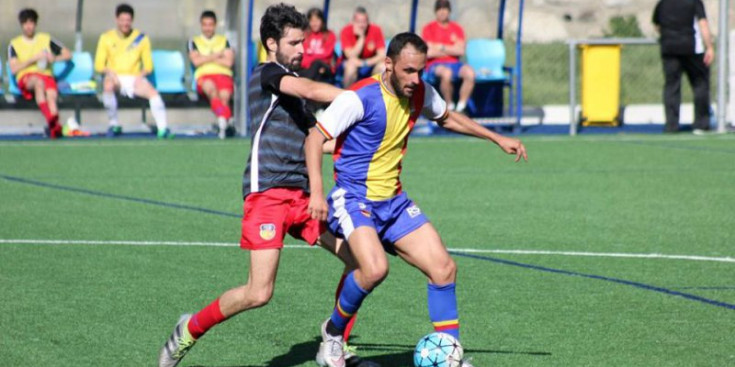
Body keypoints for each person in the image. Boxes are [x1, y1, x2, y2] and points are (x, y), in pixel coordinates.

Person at [158, 4, 377, 367]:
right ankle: (189, 329)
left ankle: (335, 342)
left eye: (303, 42)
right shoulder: (268, 74)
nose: (302, 49)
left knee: (362, 265)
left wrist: (362, 146)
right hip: (269, 194)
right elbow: (307, 85)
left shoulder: (297, 98)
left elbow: (315, 139)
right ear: (272, 44)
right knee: (259, 293)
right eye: (294, 43)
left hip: (303, 197)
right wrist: (362, 99)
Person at [305, 32, 528, 367]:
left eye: (420, 71)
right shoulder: (358, 97)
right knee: (374, 269)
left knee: (443, 268)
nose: (414, 79)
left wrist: (496, 138)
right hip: (353, 198)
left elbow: (447, 117)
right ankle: (333, 334)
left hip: (393, 203)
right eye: (408, 71)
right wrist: (317, 192)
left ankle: (449, 355)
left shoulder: (420, 92)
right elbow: (314, 138)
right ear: (389, 64)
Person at [95, 3, 171, 139]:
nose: (125, 24)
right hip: (115, 78)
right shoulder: (106, 38)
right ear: (117, 20)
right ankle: (114, 124)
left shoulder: (141, 38)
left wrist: (139, 76)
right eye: (122, 20)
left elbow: (148, 66)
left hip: (134, 78)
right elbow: (99, 65)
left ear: (132, 20)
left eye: (128, 20)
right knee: (108, 85)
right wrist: (111, 73)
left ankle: (163, 128)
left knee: (153, 93)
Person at [8, 8, 73, 139]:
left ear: (35, 24)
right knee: (39, 83)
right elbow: (14, 68)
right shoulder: (14, 44)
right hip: (27, 78)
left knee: (51, 95)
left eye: (31, 23)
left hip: (46, 75)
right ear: (21, 25)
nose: (28, 26)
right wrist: (34, 58)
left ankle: (54, 127)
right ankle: (51, 119)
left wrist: (53, 59)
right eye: (25, 23)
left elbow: (67, 54)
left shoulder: (46, 39)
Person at [652, 0, 714, 134]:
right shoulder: (694, 2)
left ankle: (671, 125)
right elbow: (702, 23)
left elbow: (657, 26)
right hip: (692, 49)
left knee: (671, 87)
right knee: (700, 84)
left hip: (669, 48)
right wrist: (709, 46)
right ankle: (701, 124)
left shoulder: (663, 3)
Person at [188, 10, 235, 139]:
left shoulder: (224, 41)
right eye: (205, 24)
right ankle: (224, 120)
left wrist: (206, 57)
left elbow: (229, 62)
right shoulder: (194, 41)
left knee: (224, 97)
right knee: (212, 90)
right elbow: (196, 61)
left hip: (223, 75)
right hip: (204, 76)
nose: (208, 28)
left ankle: (222, 121)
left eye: (210, 24)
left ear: (215, 25)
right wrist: (216, 55)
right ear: (201, 25)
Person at [421, 0, 475, 113]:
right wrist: (451, 49)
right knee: (446, 73)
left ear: (449, 11)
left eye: (445, 9)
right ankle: (449, 106)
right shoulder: (428, 28)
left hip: (455, 63)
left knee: (470, 73)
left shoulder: (457, 28)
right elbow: (428, 52)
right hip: (435, 65)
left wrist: (440, 47)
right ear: (435, 11)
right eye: (439, 9)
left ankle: (461, 106)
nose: (442, 12)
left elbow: (460, 51)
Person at [339, 7, 386, 88]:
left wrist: (365, 63)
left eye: (364, 22)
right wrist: (361, 38)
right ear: (353, 22)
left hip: (370, 64)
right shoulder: (346, 31)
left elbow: (382, 55)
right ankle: (347, 93)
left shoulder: (376, 30)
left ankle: (377, 94)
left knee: (383, 67)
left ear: (368, 22)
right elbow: (350, 56)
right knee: (351, 67)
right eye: (358, 22)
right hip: (351, 64)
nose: (361, 25)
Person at [301, 8, 337, 86]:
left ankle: (303, 86)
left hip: (324, 66)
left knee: (317, 64)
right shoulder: (305, 35)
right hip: (308, 68)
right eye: (312, 21)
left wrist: (310, 58)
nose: (314, 23)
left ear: (322, 21)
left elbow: (327, 55)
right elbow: (302, 54)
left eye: (317, 20)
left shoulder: (329, 35)